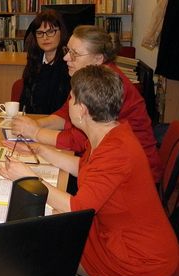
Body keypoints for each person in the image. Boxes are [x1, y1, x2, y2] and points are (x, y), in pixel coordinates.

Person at [0, 65, 178, 276]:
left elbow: (76, 207)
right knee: (53, 222)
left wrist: (26, 178)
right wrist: (41, 150)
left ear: (82, 109)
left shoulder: (115, 150)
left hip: (138, 257)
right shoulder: (111, 132)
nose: (69, 104)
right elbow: (85, 167)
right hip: (124, 234)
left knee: (40, 241)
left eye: (71, 99)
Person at [11, 25, 162, 182]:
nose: (66, 58)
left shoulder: (104, 86)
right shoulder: (90, 77)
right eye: (67, 50)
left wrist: (35, 133)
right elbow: (66, 114)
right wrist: (36, 124)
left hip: (134, 174)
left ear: (98, 59)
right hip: (108, 163)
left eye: (75, 54)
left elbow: (78, 140)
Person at [18, 9, 70, 114]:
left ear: (61, 32)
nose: (45, 38)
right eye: (40, 33)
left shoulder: (68, 64)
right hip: (32, 122)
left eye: (50, 32)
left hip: (56, 125)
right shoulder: (34, 60)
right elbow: (25, 100)